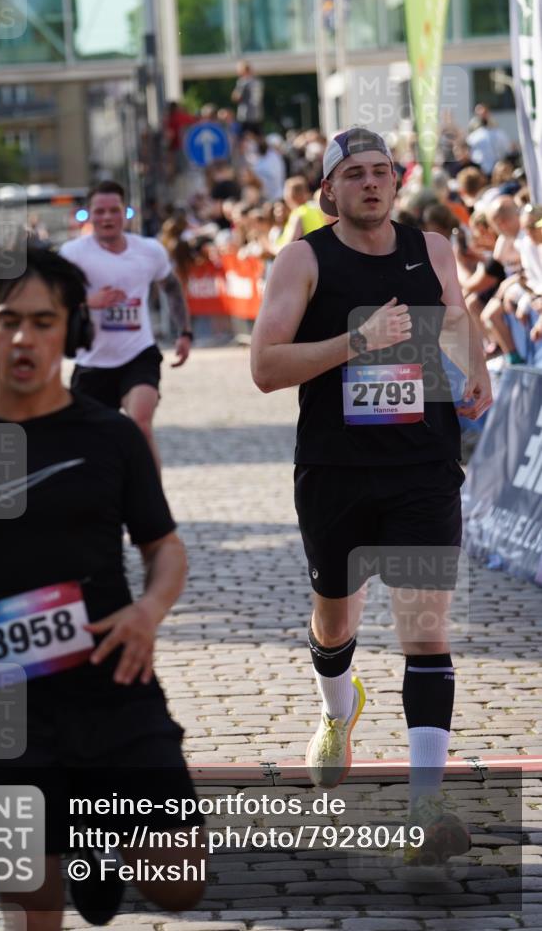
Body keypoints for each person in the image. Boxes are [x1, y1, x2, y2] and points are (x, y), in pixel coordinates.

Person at [0, 245, 206, 930]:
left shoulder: (110, 436)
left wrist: (149, 609)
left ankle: (94, 843)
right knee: (31, 903)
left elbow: (164, 547)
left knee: (178, 883)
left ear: (73, 331)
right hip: (1, 700)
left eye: (43, 320)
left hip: (112, 679)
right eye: (7, 319)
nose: (24, 337)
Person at [250, 127, 492, 863]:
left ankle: (427, 805)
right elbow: (264, 365)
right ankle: (338, 706)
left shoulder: (435, 248)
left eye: (380, 170)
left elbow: (455, 317)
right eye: (352, 173)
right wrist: (356, 344)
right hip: (335, 468)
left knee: (424, 632)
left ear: (395, 180)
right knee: (334, 619)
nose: (370, 182)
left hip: (422, 464)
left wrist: (474, 367)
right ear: (327, 190)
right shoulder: (302, 258)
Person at [60, 181, 193, 471]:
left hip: (139, 354)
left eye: (114, 211)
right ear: (89, 215)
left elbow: (171, 287)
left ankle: (152, 506)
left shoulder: (149, 250)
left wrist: (184, 332)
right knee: (91, 442)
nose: (107, 218)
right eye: (100, 211)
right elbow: (52, 300)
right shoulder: (72, 254)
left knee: (140, 424)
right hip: (92, 361)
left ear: (125, 213)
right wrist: (88, 302)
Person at [277, 176, 327, 247]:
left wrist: (267, 245)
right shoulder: (316, 210)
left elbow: (288, 246)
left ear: (289, 196)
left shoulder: (298, 214)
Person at [231, 60, 264, 136]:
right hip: (258, 115)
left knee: (243, 138)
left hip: (245, 116)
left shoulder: (243, 82)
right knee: (258, 138)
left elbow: (236, 97)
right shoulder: (257, 82)